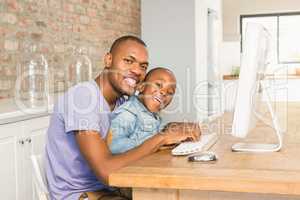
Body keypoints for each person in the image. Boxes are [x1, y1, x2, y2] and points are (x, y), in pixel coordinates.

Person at [45, 35, 201, 200]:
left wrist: (170, 130)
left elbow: (137, 139)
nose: (136, 70)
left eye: (143, 66)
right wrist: (161, 138)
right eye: (128, 61)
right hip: (81, 194)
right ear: (108, 60)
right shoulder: (83, 98)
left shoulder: (122, 102)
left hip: (112, 189)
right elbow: (106, 172)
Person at [108, 67, 178, 154]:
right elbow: (112, 145)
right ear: (141, 87)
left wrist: (175, 133)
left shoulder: (153, 115)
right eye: (159, 85)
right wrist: (154, 144)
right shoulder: (128, 113)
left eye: (170, 92)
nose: (164, 92)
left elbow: (158, 132)